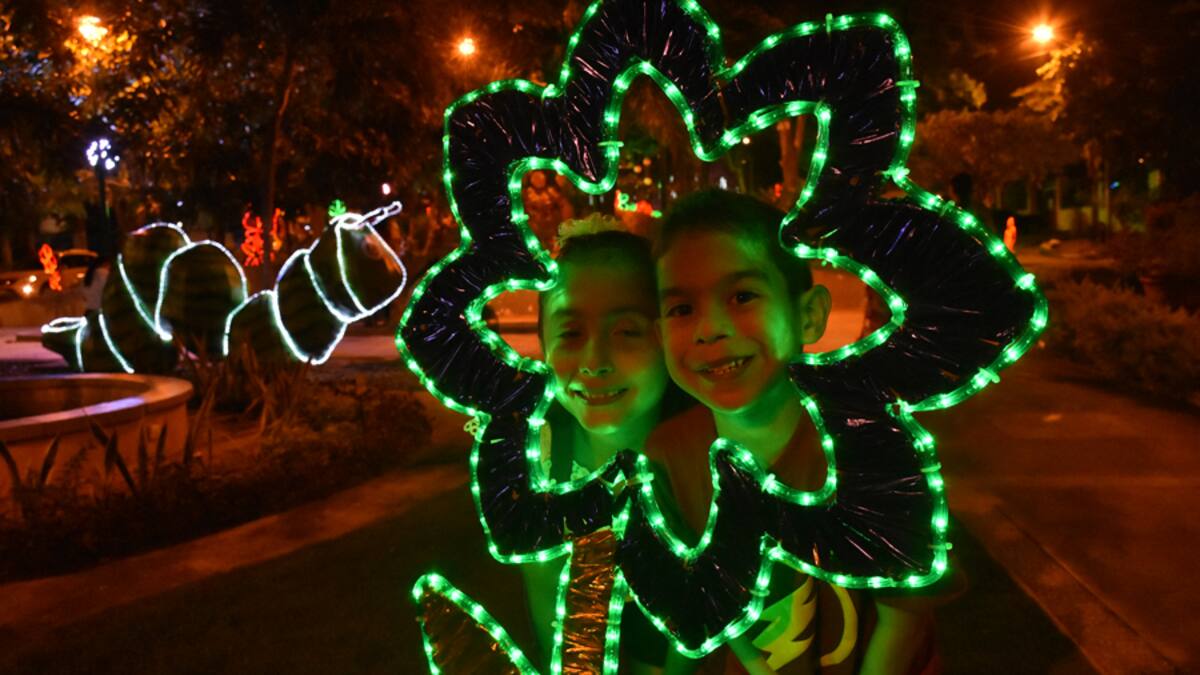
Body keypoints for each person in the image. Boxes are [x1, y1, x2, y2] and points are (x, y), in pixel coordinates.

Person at [646, 190, 950, 674]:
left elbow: (903, 618)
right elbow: (704, 602)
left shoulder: (872, 441)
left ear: (808, 315)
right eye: (682, 309)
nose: (710, 329)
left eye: (742, 296)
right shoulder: (667, 455)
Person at [523, 214, 683, 673]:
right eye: (571, 333)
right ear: (543, 344)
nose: (594, 362)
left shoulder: (706, 456)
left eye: (626, 331)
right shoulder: (540, 458)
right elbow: (550, 613)